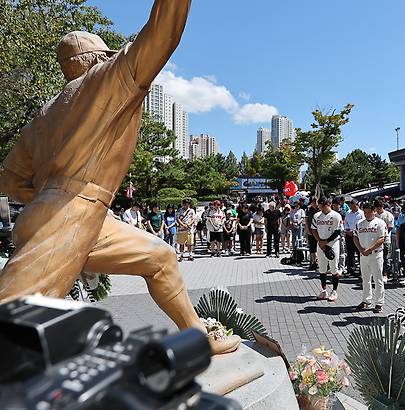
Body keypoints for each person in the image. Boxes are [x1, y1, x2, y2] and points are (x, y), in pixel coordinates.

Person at [0, 1, 240, 355]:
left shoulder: (43, 116)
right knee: (11, 319)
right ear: (95, 59)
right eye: (104, 56)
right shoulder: (103, 81)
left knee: (160, 258)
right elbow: (161, 34)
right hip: (69, 214)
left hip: (72, 211)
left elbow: (9, 181)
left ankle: (199, 336)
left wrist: (45, 200)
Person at [354, 202, 387, 313]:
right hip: (363, 254)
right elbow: (355, 237)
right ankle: (366, 300)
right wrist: (360, 249)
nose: (367, 214)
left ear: (374, 211)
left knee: (378, 279)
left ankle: (379, 303)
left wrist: (369, 249)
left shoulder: (380, 223)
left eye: (369, 212)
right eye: (365, 212)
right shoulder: (360, 223)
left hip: (376, 254)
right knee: (365, 278)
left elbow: (381, 239)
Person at [311, 197, 343, 302]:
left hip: (333, 243)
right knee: (322, 268)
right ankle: (324, 290)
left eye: (321, 205)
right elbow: (313, 229)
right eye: (319, 205)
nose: (320, 207)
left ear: (327, 204)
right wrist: (319, 241)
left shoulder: (336, 215)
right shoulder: (317, 215)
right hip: (320, 243)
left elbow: (337, 232)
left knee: (334, 268)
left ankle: (334, 291)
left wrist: (326, 242)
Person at [374, 200, 394, 282]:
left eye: (379, 208)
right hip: (375, 240)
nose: (378, 210)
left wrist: (382, 234)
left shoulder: (388, 215)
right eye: (377, 208)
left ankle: (385, 274)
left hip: (386, 240)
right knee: (376, 258)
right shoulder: (374, 215)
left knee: (386, 258)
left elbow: (390, 227)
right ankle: (377, 274)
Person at [344, 199, 364, 276]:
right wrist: (347, 230)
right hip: (349, 234)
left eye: (353, 206)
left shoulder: (362, 213)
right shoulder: (348, 213)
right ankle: (350, 270)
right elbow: (345, 222)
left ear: (357, 205)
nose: (352, 208)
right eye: (351, 206)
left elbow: (363, 223)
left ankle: (362, 270)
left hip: (359, 235)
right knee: (350, 253)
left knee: (359, 252)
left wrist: (355, 231)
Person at [306, 198, 319, 270]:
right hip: (311, 231)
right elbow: (306, 220)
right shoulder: (308, 209)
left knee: (319, 247)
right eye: (312, 202)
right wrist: (308, 230)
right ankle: (313, 262)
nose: (314, 204)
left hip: (319, 231)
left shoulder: (320, 209)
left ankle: (319, 262)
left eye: (315, 202)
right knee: (312, 248)